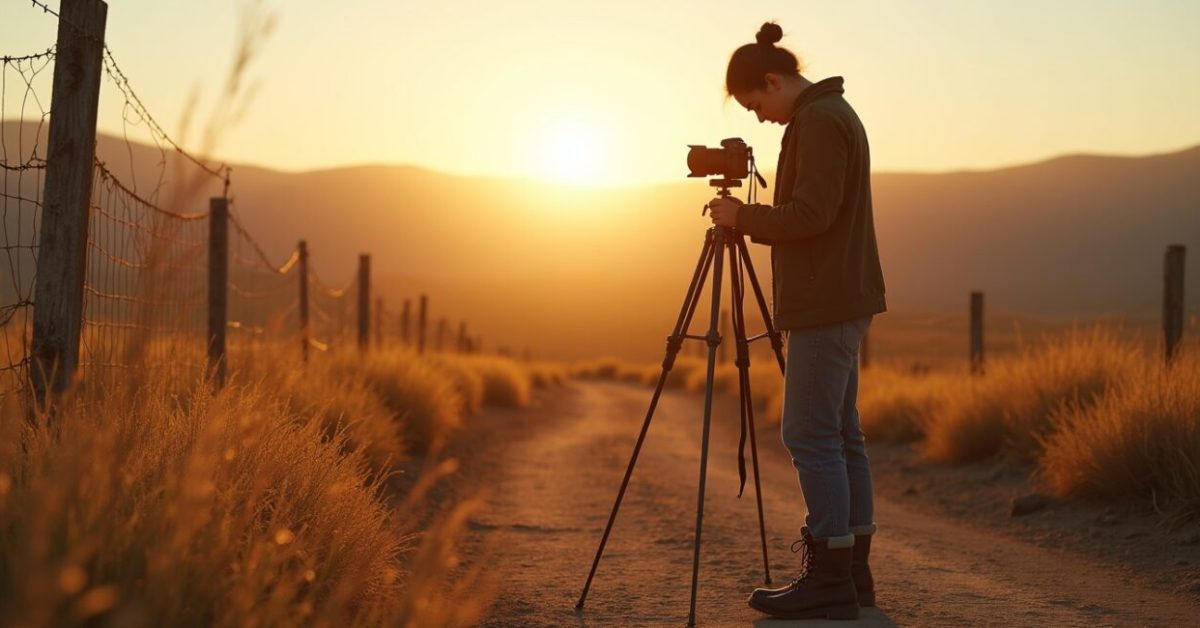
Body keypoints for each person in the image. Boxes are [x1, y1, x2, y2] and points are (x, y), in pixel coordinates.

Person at [706, 21, 887, 621]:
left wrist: (743, 218)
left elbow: (812, 214)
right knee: (840, 435)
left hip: (824, 301)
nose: (760, 119)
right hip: (841, 295)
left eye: (758, 104)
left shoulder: (818, 121)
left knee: (808, 435)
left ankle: (830, 580)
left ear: (774, 80)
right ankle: (851, 572)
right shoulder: (834, 113)